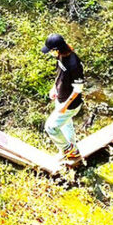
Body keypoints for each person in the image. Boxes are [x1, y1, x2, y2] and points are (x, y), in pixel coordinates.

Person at [42, 33, 84, 163]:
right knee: (66, 126)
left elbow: (78, 89)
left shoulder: (74, 64)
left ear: (56, 49)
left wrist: (65, 106)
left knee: (51, 127)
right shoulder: (60, 56)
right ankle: (71, 152)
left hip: (70, 104)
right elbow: (59, 74)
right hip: (60, 97)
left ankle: (69, 150)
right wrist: (54, 88)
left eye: (51, 51)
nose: (50, 53)